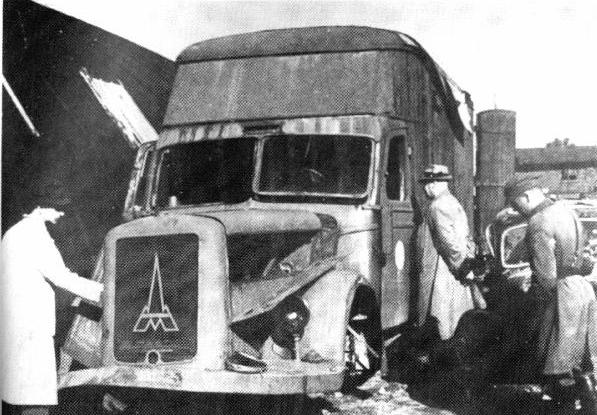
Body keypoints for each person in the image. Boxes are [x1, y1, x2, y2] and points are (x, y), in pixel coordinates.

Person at [0, 207, 104, 415]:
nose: (61, 215)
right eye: (57, 209)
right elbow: (62, 277)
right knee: (36, 401)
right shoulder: (34, 234)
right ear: (39, 208)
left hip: (19, 327)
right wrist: (104, 292)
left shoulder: (14, 232)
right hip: (31, 330)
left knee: (25, 398)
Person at [503, 176, 597, 382]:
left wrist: (535, 303)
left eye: (515, 203)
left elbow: (545, 275)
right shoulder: (567, 211)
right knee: (580, 357)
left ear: (525, 196)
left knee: (556, 360)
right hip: (582, 288)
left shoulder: (539, 221)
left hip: (561, 293)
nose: (516, 209)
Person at [417, 164, 482, 340]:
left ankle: (444, 352)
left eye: (429, 183)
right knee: (455, 312)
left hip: (445, 267)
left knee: (443, 314)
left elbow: (448, 243)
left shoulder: (437, 206)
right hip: (457, 263)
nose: (425, 187)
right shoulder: (452, 201)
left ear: (437, 183)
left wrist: (461, 268)